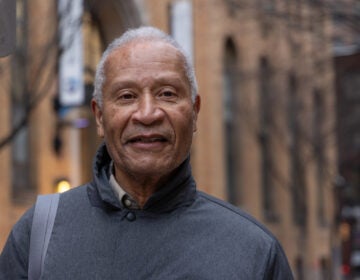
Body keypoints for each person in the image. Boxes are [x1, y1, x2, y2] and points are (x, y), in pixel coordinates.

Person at [0, 26, 293, 279]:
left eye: (167, 93)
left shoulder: (253, 251)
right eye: (127, 96)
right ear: (100, 117)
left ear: (194, 112)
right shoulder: (39, 234)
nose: (148, 113)